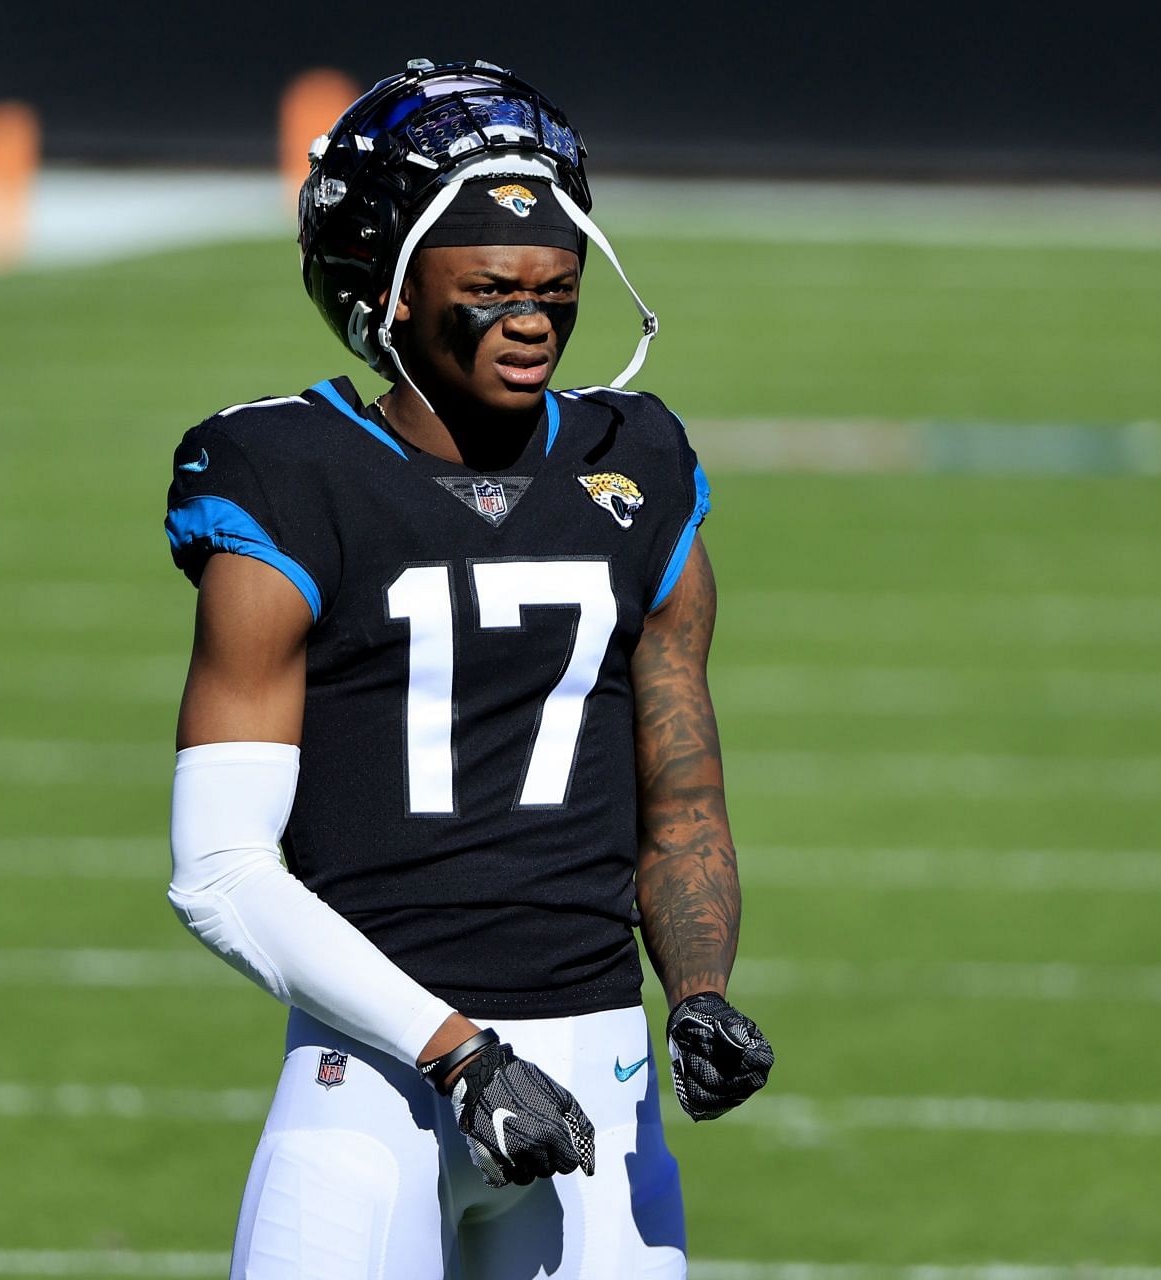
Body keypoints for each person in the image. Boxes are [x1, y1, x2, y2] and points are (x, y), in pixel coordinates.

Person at [161, 59, 773, 1278]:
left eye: (556, 288)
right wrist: (457, 1050)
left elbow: (684, 796)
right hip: (372, 1077)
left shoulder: (635, 459)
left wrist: (700, 988)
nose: (535, 318)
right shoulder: (286, 472)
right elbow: (220, 868)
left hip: (595, 1073)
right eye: (493, 288)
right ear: (385, 293)